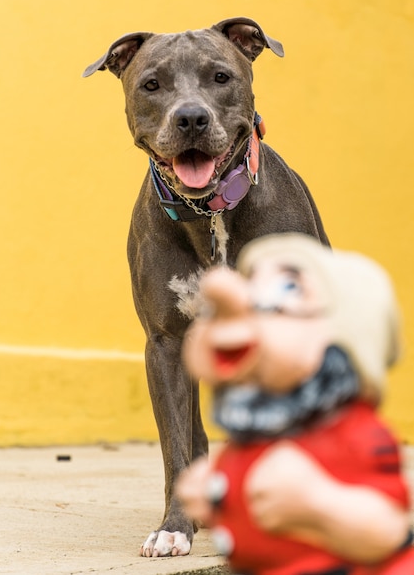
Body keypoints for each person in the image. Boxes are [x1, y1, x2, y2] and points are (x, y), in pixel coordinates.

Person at [177, 233, 414, 574]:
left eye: (285, 294)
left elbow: (387, 529)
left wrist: (319, 504)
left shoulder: (355, 434)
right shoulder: (254, 440)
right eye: (252, 290)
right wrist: (215, 498)